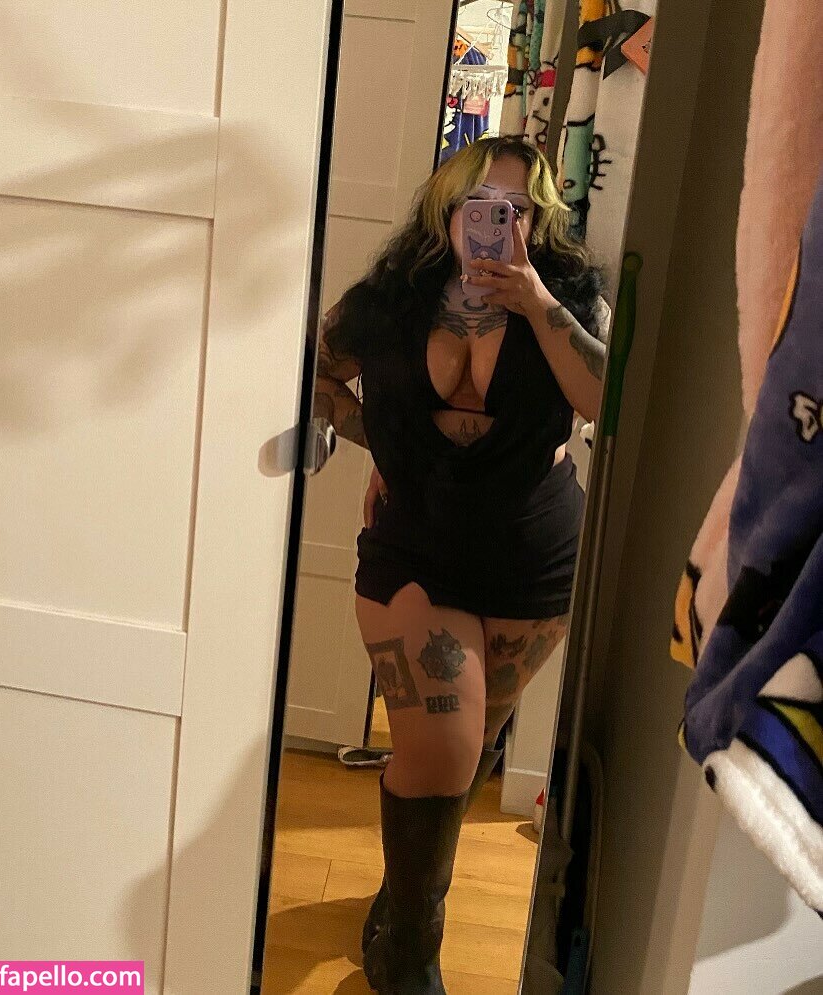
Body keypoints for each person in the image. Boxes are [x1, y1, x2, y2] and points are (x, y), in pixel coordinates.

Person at [314, 135, 607, 994]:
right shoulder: (385, 304)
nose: (496, 224)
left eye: (516, 210)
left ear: (538, 220)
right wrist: (383, 443)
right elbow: (313, 379)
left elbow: (609, 401)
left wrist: (535, 299)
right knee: (442, 746)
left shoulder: (571, 300)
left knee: (469, 746)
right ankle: (411, 955)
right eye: (480, 206)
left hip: (534, 559)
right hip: (415, 548)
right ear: (445, 208)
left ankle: (405, 896)